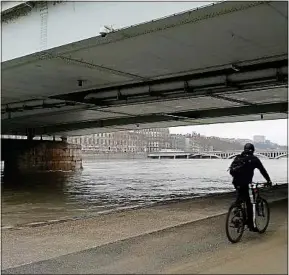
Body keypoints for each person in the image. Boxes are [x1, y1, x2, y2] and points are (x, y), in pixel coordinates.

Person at [229, 143, 272, 231]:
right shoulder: (254, 159)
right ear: (253, 150)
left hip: (236, 182)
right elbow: (263, 171)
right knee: (249, 202)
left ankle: (236, 209)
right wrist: (268, 180)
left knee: (240, 195)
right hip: (246, 183)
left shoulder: (238, 157)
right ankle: (251, 225)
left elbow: (231, 170)